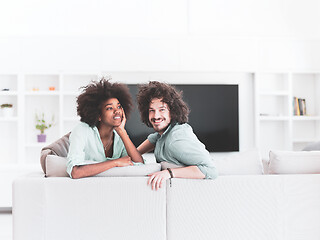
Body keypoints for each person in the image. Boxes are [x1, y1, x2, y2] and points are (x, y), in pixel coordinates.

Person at [137, 81, 218, 190]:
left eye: (162, 110)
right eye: (152, 110)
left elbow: (211, 170)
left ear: (172, 111)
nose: (156, 116)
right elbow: (135, 154)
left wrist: (169, 173)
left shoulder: (175, 141)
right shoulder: (162, 135)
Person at [67, 78, 143, 179]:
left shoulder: (119, 136)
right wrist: (115, 163)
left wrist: (123, 132)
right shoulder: (82, 130)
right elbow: (75, 172)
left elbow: (140, 165)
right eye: (110, 108)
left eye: (119, 107)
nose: (117, 111)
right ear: (99, 115)